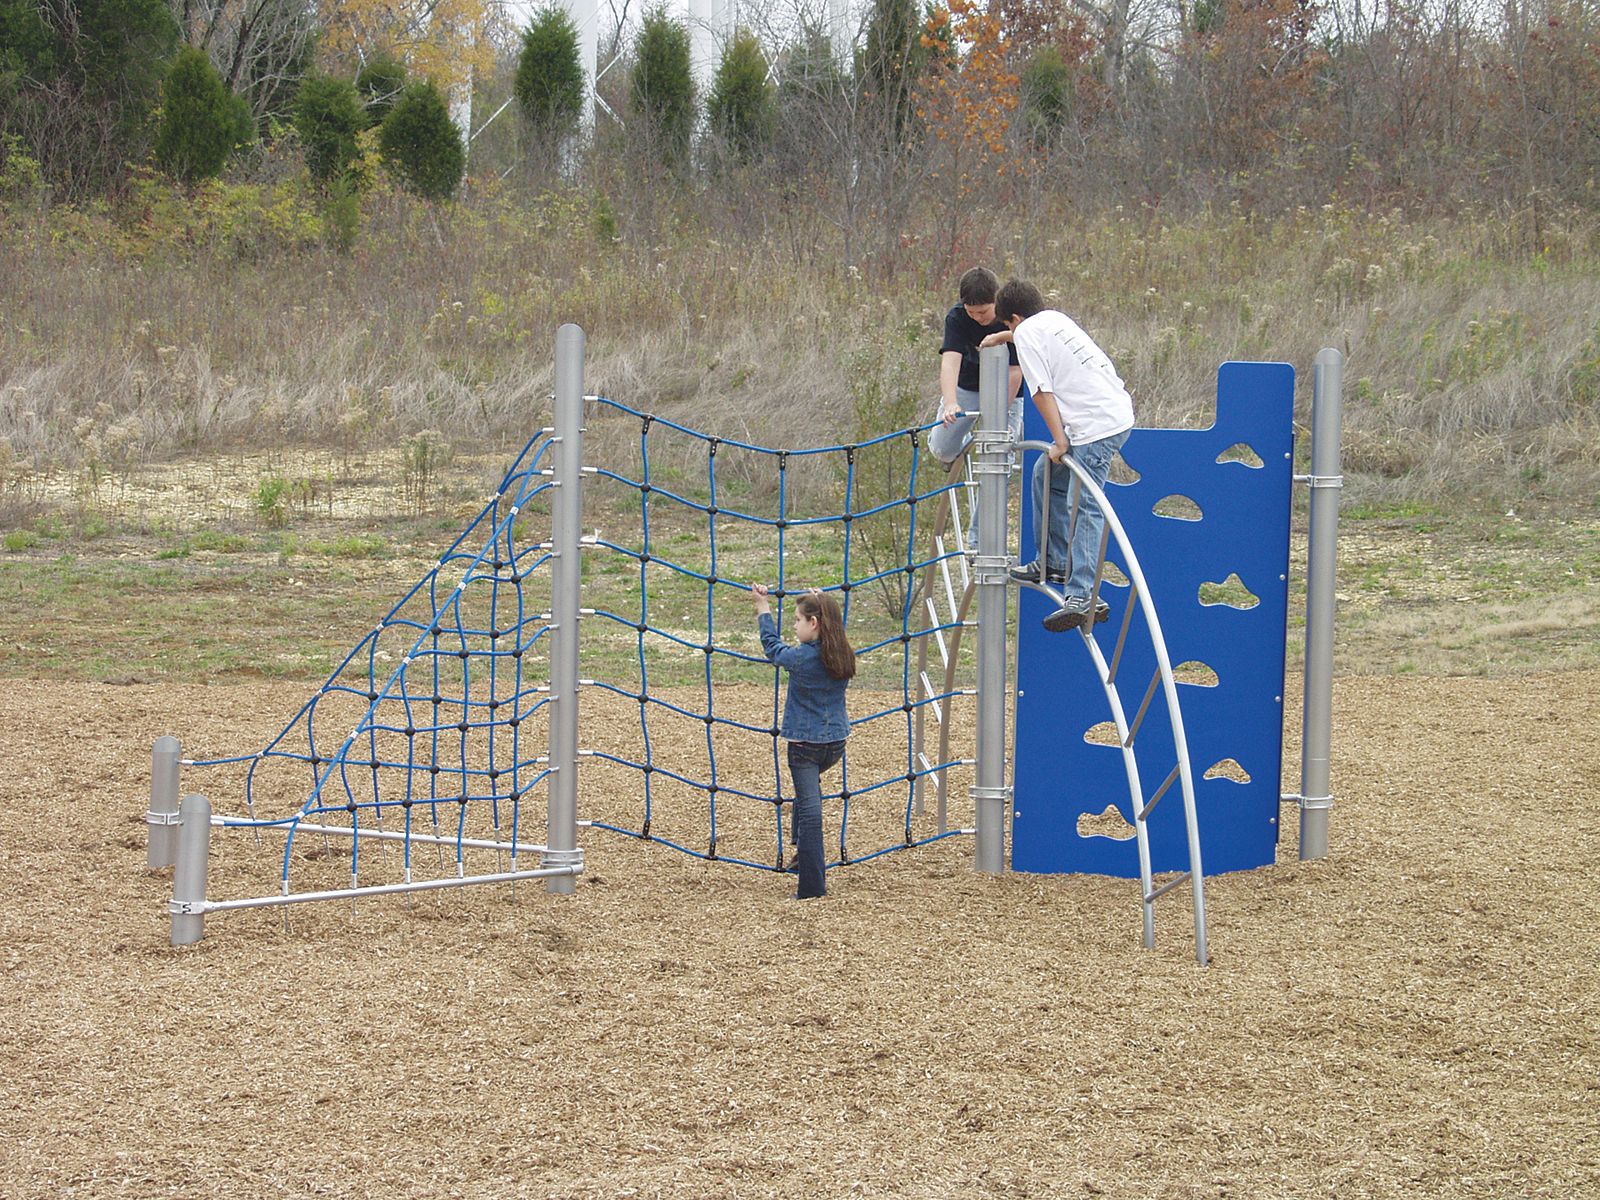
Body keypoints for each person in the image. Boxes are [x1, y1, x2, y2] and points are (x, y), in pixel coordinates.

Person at [982, 279, 1134, 633]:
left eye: (1007, 325)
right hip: (1115, 413)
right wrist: (1004, 337)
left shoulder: (1027, 334)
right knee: (1044, 475)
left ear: (1015, 317)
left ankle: (1083, 596)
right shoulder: (1054, 319)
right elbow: (1031, 336)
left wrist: (1059, 439)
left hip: (1094, 427)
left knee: (1085, 505)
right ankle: (1052, 561)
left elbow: (1041, 392)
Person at [751, 584, 855, 899]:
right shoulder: (843, 652)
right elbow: (832, 625)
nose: (794, 625)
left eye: (798, 619)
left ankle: (812, 886)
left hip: (805, 748)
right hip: (836, 743)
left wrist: (762, 607)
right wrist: (821, 600)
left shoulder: (800, 658)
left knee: (810, 809)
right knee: (806, 796)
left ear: (814, 623)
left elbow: (772, 647)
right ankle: (799, 858)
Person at [929, 266, 1024, 478]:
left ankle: (1015, 427)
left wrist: (1000, 412)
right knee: (942, 449)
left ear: (996, 302)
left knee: (999, 456)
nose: (977, 318)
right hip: (969, 386)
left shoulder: (1010, 319)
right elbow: (950, 363)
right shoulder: (957, 318)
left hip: (1006, 390)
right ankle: (965, 442)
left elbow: (1015, 371)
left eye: (982, 312)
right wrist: (951, 402)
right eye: (971, 312)